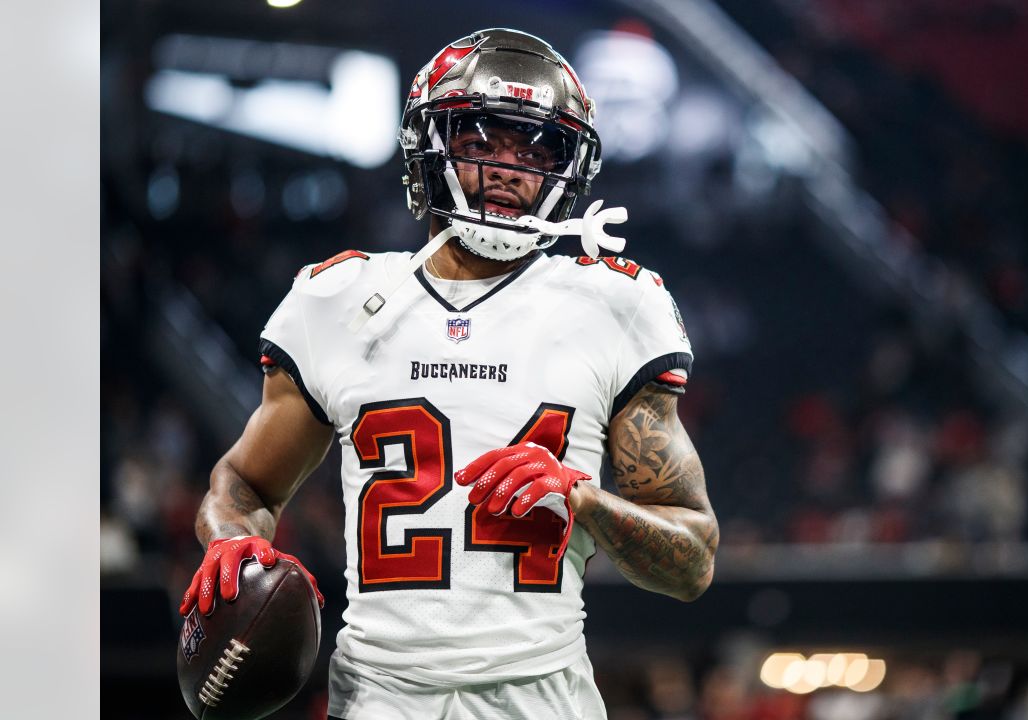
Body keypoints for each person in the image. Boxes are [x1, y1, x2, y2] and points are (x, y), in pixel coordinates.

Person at [178, 28, 719, 719]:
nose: (509, 168)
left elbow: (693, 561)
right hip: (377, 699)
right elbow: (243, 484)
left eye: (536, 148)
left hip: (543, 701)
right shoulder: (337, 300)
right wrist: (233, 540)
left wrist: (584, 499)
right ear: (428, 148)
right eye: (482, 141)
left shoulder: (615, 305)